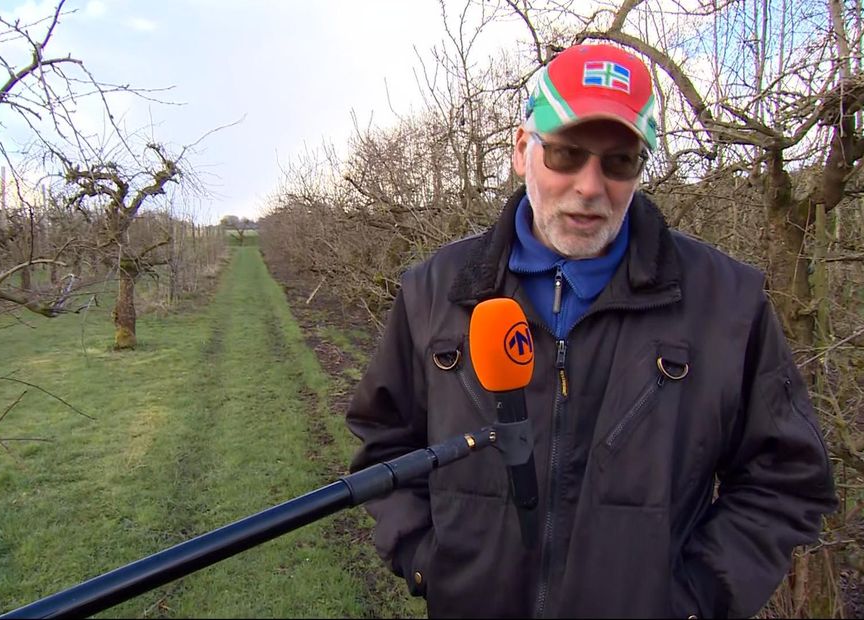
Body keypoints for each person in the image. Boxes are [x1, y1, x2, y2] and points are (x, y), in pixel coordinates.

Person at [345, 42, 837, 618]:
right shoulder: (435, 290)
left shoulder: (727, 304)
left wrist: (696, 598)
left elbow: (786, 479)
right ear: (522, 151)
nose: (589, 185)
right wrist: (428, 559)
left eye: (619, 162)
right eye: (567, 154)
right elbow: (385, 442)